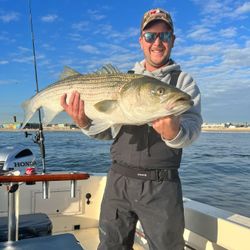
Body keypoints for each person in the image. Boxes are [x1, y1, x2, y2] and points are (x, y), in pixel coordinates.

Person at [61, 8, 202, 250]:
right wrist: (84, 122)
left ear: (173, 40)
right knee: (110, 246)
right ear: (141, 41)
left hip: (162, 186)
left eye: (165, 36)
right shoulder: (124, 80)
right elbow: (107, 131)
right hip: (119, 182)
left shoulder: (183, 82)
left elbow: (192, 128)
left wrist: (174, 132)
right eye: (150, 36)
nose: (157, 42)